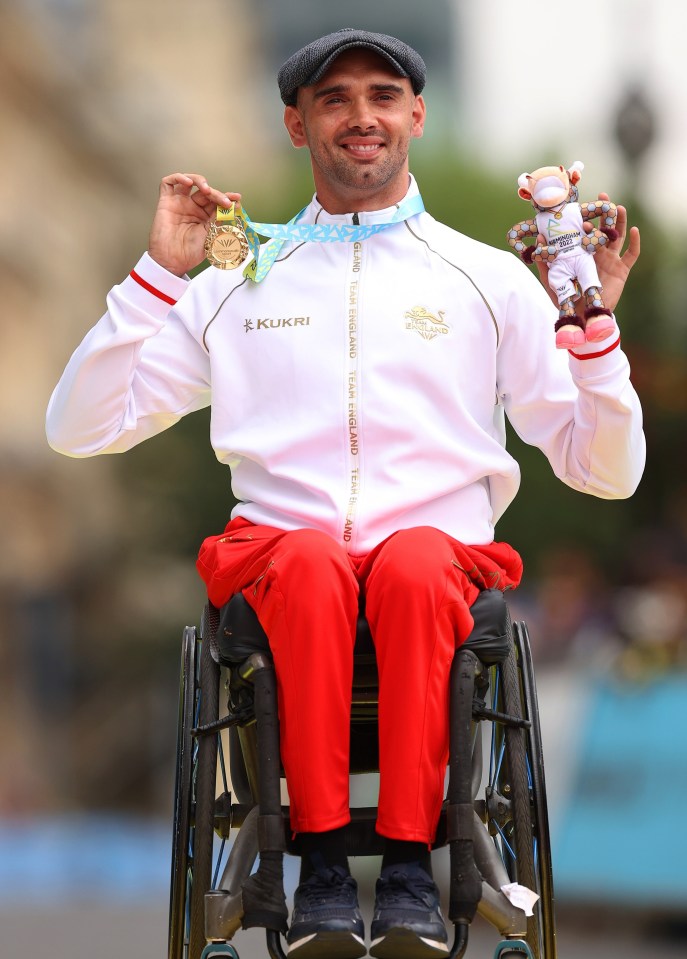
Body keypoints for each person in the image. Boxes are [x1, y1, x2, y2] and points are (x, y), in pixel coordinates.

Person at [46, 26, 645, 959]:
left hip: (438, 560)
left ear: (414, 113)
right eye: (333, 98)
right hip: (282, 556)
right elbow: (77, 426)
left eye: (379, 94)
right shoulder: (234, 280)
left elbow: (605, 472)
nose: (359, 115)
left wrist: (594, 336)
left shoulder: (491, 280)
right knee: (320, 559)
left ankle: (409, 870)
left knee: (407, 562)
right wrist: (160, 273)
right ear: (297, 124)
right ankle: (320, 867)